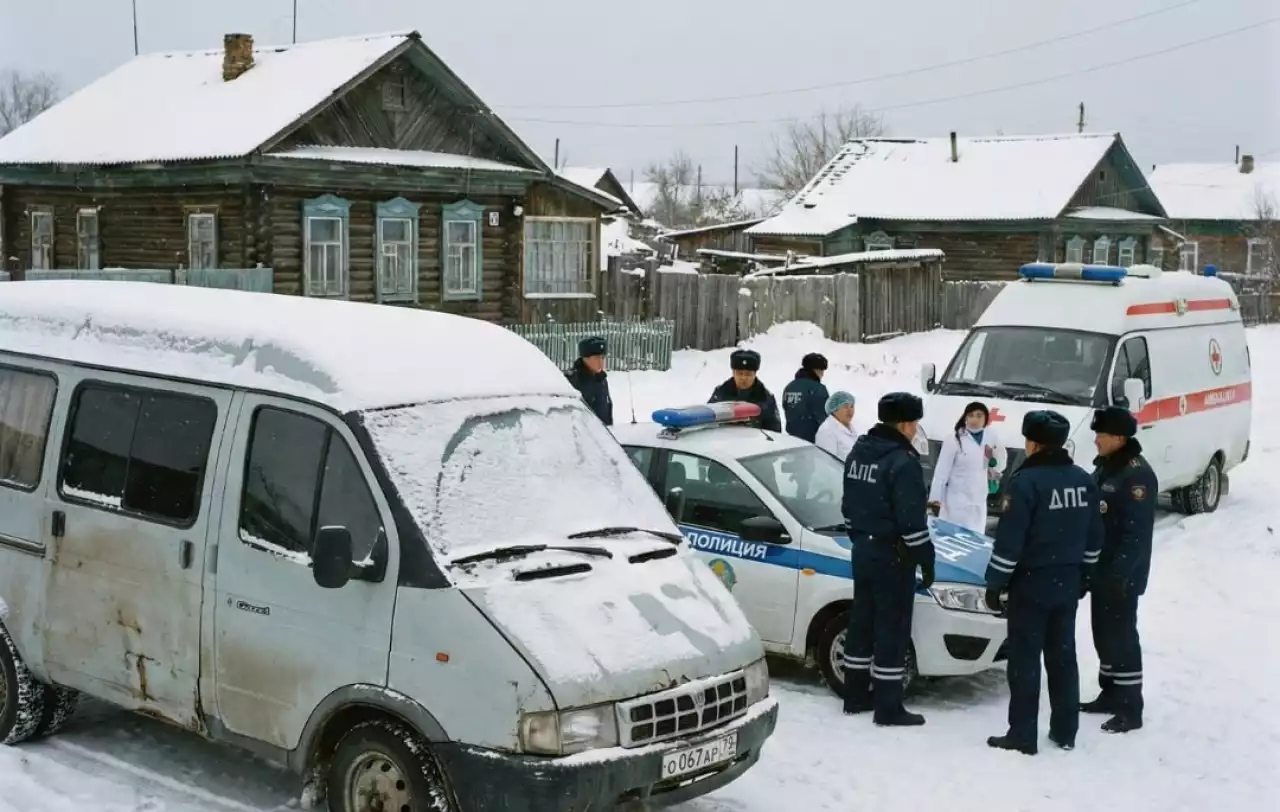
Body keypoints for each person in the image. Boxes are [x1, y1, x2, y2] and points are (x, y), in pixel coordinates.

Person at [984, 410, 1103, 755]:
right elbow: (1096, 536)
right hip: (1068, 581)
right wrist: (1086, 573)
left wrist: (996, 583)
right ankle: (1065, 730)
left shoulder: (1025, 483)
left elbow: (1010, 540)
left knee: (1024, 660)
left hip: (1031, 582)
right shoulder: (1083, 480)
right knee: (1063, 657)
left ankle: (1022, 733)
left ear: (1033, 443)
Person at [841, 392, 933, 726]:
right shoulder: (902, 461)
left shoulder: (859, 452)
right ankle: (888, 705)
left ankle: (854, 695)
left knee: (862, 621)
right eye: (915, 424)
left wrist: (860, 537)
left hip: (862, 549)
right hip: (893, 554)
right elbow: (911, 520)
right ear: (906, 424)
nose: (916, 430)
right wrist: (926, 557)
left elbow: (848, 505)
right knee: (892, 627)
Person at [1082, 406, 1157, 734]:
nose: (1095, 440)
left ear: (1119, 438)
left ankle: (1130, 705)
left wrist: (1120, 575)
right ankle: (1110, 692)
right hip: (1102, 569)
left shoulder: (1135, 475)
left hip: (1120, 574)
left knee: (1122, 636)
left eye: (1100, 435)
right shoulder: (1107, 468)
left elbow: (1136, 535)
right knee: (1103, 633)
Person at [928, 401, 1006, 533]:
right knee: (953, 536)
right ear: (965, 418)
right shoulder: (954, 439)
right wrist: (936, 498)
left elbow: (1000, 458)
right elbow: (942, 471)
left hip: (978, 497)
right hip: (956, 499)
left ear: (986, 419)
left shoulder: (991, 436)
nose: (974, 419)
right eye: (971, 415)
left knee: (975, 536)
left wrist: (995, 468)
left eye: (979, 415)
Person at [708, 349, 782, 433]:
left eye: (748, 374)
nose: (743, 378)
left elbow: (775, 432)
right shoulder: (721, 393)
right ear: (733, 373)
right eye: (740, 373)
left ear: (755, 374)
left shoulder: (765, 397)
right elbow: (708, 422)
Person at [782, 353, 830, 442]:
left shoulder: (789, 387)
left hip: (792, 439)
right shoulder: (818, 389)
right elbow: (825, 418)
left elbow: (786, 408)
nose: (822, 374)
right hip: (813, 441)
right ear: (815, 370)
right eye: (821, 371)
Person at [565, 336, 612, 426]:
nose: (600, 362)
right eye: (596, 358)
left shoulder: (601, 379)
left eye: (602, 358)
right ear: (585, 358)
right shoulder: (573, 380)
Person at [814, 391, 858, 461]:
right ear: (834, 409)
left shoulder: (849, 427)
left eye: (852, 406)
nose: (850, 411)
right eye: (845, 407)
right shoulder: (826, 431)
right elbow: (827, 464)